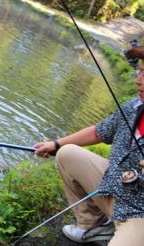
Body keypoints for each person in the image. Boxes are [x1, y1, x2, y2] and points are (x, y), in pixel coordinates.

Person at [33, 46, 144, 246]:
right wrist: (56, 144)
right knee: (67, 154)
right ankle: (93, 226)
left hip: (139, 215)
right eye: (140, 71)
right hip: (114, 191)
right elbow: (99, 131)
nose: (138, 80)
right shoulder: (133, 106)